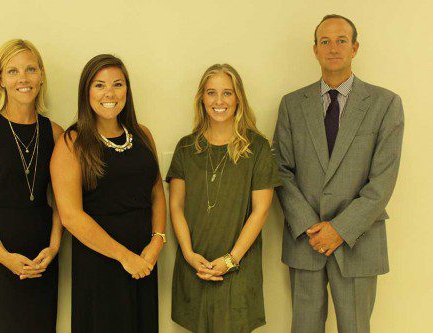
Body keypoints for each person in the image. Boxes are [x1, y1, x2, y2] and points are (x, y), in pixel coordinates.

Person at [274, 14, 404, 333]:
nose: (333, 48)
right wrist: (311, 227)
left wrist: (340, 229)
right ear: (315, 49)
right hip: (307, 241)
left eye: (341, 41)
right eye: (325, 41)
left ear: (355, 48)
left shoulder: (385, 104)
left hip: (358, 242)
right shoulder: (292, 105)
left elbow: (382, 183)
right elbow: (281, 171)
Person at [51, 54, 166, 332]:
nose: (110, 93)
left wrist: (156, 242)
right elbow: (70, 216)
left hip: (144, 259)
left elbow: (156, 192)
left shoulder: (142, 134)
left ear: (127, 89)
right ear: (86, 92)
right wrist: (124, 257)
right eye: (99, 85)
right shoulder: (72, 142)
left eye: (117, 84)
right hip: (100, 262)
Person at [166, 63, 280, 332]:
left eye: (227, 93)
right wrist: (188, 254)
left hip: (238, 267)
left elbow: (261, 211)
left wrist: (231, 260)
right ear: (201, 98)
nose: (219, 101)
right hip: (196, 264)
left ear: (238, 98)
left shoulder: (258, 148)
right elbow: (176, 206)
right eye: (211, 93)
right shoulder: (186, 147)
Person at [0, 39, 63, 332]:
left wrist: (53, 248)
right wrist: (1, 255)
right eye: (13, 71)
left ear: (41, 75)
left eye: (30, 69)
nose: (23, 78)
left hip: (39, 260)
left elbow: (62, 202)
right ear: (1, 79)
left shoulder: (55, 133)